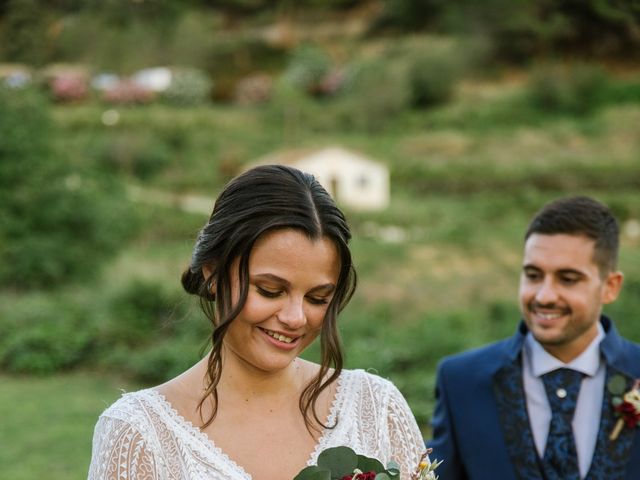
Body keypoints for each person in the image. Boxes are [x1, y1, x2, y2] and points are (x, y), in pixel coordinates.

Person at [88, 165, 428, 480]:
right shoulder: (139, 434)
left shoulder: (377, 408)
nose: (296, 318)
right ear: (213, 274)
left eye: (317, 298)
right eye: (270, 291)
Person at [427, 195, 640, 480]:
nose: (544, 296)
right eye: (533, 275)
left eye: (568, 278)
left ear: (610, 287)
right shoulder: (460, 381)